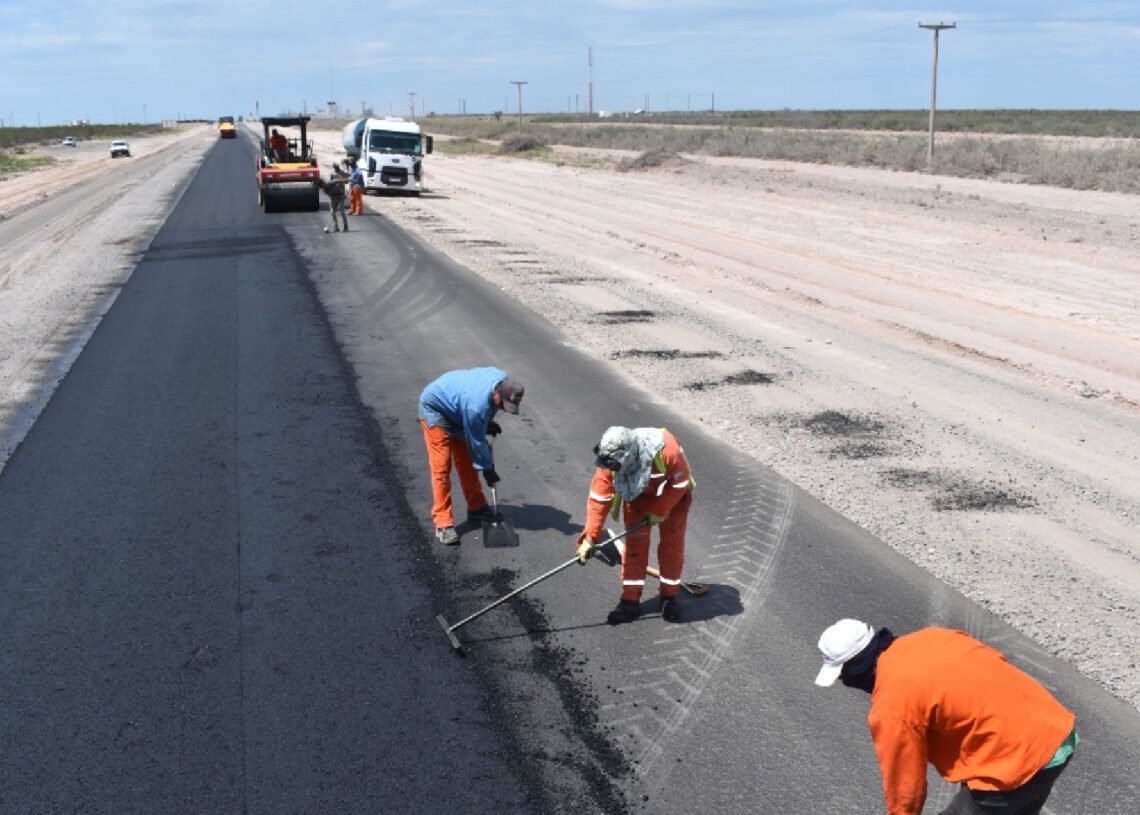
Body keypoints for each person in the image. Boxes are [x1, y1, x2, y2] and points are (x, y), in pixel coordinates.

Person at [814, 620, 1078, 815]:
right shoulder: (932, 637)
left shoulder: (892, 704)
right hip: (1054, 730)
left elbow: (906, 789)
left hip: (1017, 759)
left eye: (844, 676)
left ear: (856, 668)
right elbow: (992, 665)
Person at [575, 426, 693, 624]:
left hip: (673, 496)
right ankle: (630, 600)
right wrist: (590, 537)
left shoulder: (667, 450)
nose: (611, 469)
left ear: (628, 457)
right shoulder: (608, 462)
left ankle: (669, 596)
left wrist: (660, 509)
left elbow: (681, 482)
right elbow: (599, 498)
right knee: (635, 546)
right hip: (637, 494)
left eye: (614, 466)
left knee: (672, 545)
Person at [418, 367, 525, 545]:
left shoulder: (503, 382)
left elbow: (479, 416)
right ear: (498, 391)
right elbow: (477, 443)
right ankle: (443, 523)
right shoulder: (476, 406)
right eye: (502, 405)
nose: (503, 409)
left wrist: (486, 423)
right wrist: (488, 469)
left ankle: (476, 507)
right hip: (435, 410)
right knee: (442, 468)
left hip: (459, 410)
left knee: (467, 462)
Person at [322, 164, 348, 233]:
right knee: (332, 212)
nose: (337, 169)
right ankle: (336, 226)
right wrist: (334, 181)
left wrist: (341, 180)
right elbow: (329, 183)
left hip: (341, 194)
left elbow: (347, 181)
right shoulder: (332, 173)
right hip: (333, 196)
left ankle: (345, 226)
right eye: (335, 168)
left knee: (342, 212)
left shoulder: (342, 173)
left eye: (337, 167)